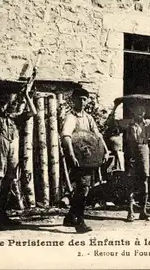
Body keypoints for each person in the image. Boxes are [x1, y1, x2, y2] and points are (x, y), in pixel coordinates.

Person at [0, 88, 37, 228]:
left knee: (9, 181)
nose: (3, 107)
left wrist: (26, 94)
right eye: (0, 104)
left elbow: (33, 112)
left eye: (5, 104)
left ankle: (2, 213)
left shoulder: (15, 119)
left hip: (12, 152)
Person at [60, 88, 110, 233]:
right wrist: (71, 155)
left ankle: (70, 217)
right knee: (83, 188)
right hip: (76, 157)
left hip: (88, 157)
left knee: (84, 188)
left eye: (84, 99)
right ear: (73, 100)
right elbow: (66, 136)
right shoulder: (71, 117)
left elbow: (97, 135)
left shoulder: (88, 118)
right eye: (79, 99)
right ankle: (80, 222)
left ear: (87, 101)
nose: (82, 102)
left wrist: (105, 150)